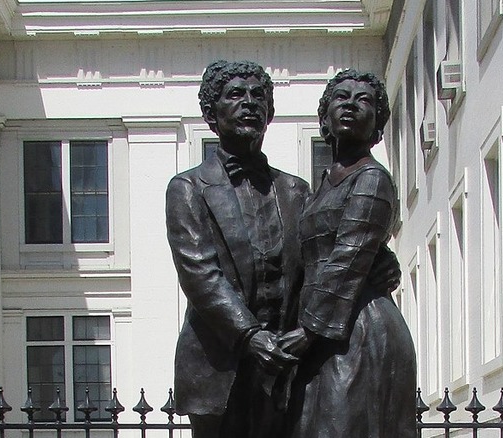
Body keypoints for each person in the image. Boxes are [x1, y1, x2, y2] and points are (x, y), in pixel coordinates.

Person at [165, 61, 401, 438]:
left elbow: (326, 249)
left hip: (286, 365)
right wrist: (251, 338)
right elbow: (200, 275)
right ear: (211, 113)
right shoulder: (188, 188)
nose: (249, 104)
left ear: (270, 114)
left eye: (259, 97)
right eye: (236, 95)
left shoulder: (297, 190)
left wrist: (381, 257)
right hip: (221, 363)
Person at [279, 69, 417, 438]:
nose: (351, 105)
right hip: (324, 330)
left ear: (377, 127)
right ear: (324, 117)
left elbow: (348, 259)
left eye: (364, 100)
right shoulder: (323, 185)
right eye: (341, 98)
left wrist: (307, 332)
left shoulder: (372, 178)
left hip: (357, 330)